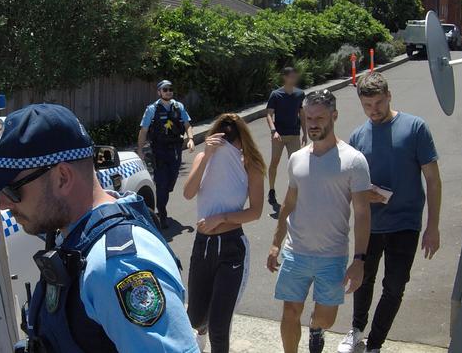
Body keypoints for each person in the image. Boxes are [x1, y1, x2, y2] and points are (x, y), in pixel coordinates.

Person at [0, 81, 199, 353]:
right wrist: (2, 140)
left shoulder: (119, 266)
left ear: (62, 177)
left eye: (11, 190)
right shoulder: (78, 229)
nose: (2, 203)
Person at [337, 73, 442, 353]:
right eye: (367, 105)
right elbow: (348, 184)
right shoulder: (358, 136)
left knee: (394, 287)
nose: (374, 110)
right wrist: (362, 194)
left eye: (379, 103)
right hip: (369, 224)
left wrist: (433, 226)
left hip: (405, 224)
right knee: (362, 280)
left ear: (389, 96)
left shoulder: (415, 128)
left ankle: (375, 343)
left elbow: (432, 179)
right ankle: (357, 330)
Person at [266, 90, 372, 353]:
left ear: (333, 116)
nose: (313, 123)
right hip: (296, 253)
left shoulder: (354, 161)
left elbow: (362, 213)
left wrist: (359, 260)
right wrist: (276, 242)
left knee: (326, 318)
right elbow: (289, 204)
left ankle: (316, 329)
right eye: (308, 117)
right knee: (290, 312)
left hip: (332, 256)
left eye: (320, 118)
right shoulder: (297, 158)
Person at [183, 114, 266, 353]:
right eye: (222, 136)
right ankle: (203, 329)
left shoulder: (251, 164)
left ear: (242, 140)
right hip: (203, 247)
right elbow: (188, 193)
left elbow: (256, 211)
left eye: (232, 139)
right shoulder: (204, 157)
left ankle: (214, 330)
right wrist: (207, 155)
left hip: (231, 248)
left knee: (220, 326)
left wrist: (221, 218)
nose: (227, 144)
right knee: (196, 318)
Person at [138, 80, 195, 229]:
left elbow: (187, 124)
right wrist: (140, 149)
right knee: (162, 183)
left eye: (170, 89)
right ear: (159, 92)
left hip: (175, 151)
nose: (168, 92)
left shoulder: (178, 106)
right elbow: (143, 130)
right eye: (165, 89)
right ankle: (162, 212)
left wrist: (191, 139)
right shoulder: (152, 109)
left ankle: (162, 203)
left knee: (170, 182)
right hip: (159, 150)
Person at [265, 67, 307, 216]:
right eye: (291, 76)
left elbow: (302, 114)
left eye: (295, 76)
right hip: (279, 135)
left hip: (294, 134)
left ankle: (294, 193)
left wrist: (305, 133)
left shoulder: (300, 94)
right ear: (285, 77)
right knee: (274, 163)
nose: (294, 79)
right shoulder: (276, 95)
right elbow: (269, 114)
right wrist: (273, 130)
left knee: (295, 165)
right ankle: (271, 190)